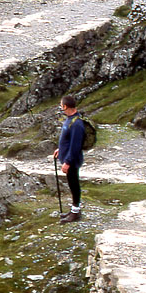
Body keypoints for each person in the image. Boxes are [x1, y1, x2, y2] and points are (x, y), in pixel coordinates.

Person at [54, 95, 88, 223]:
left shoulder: (77, 123)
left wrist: (67, 162)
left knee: (74, 185)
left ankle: (76, 213)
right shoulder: (70, 119)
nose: (60, 107)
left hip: (72, 161)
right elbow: (67, 140)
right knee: (72, 184)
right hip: (68, 157)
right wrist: (60, 149)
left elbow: (75, 145)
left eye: (61, 105)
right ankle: (74, 209)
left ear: (65, 106)